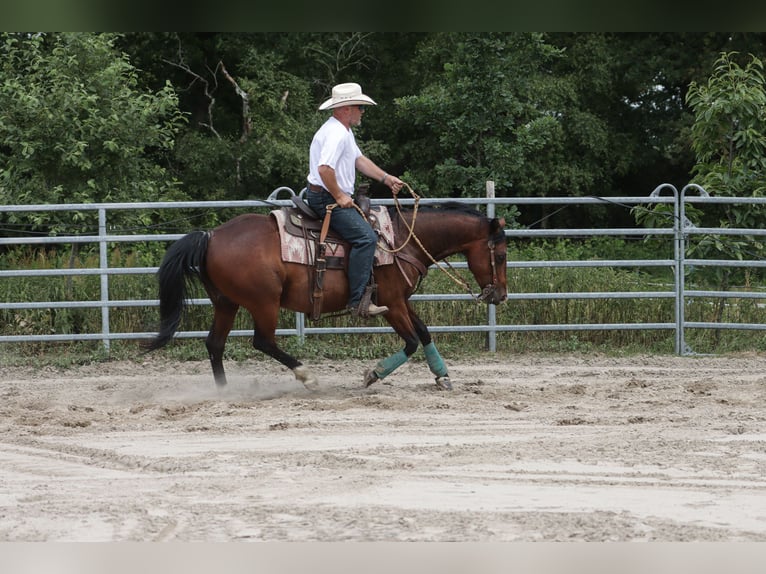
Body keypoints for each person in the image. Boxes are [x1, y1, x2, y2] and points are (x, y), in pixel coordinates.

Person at [306, 82, 404, 318]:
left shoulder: (341, 131)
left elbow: (359, 159)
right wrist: (339, 195)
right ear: (346, 108)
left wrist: (386, 178)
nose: (363, 111)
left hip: (326, 193)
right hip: (326, 197)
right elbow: (325, 168)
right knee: (366, 238)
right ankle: (358, 300)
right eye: (360, 106)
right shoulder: (337, 134)